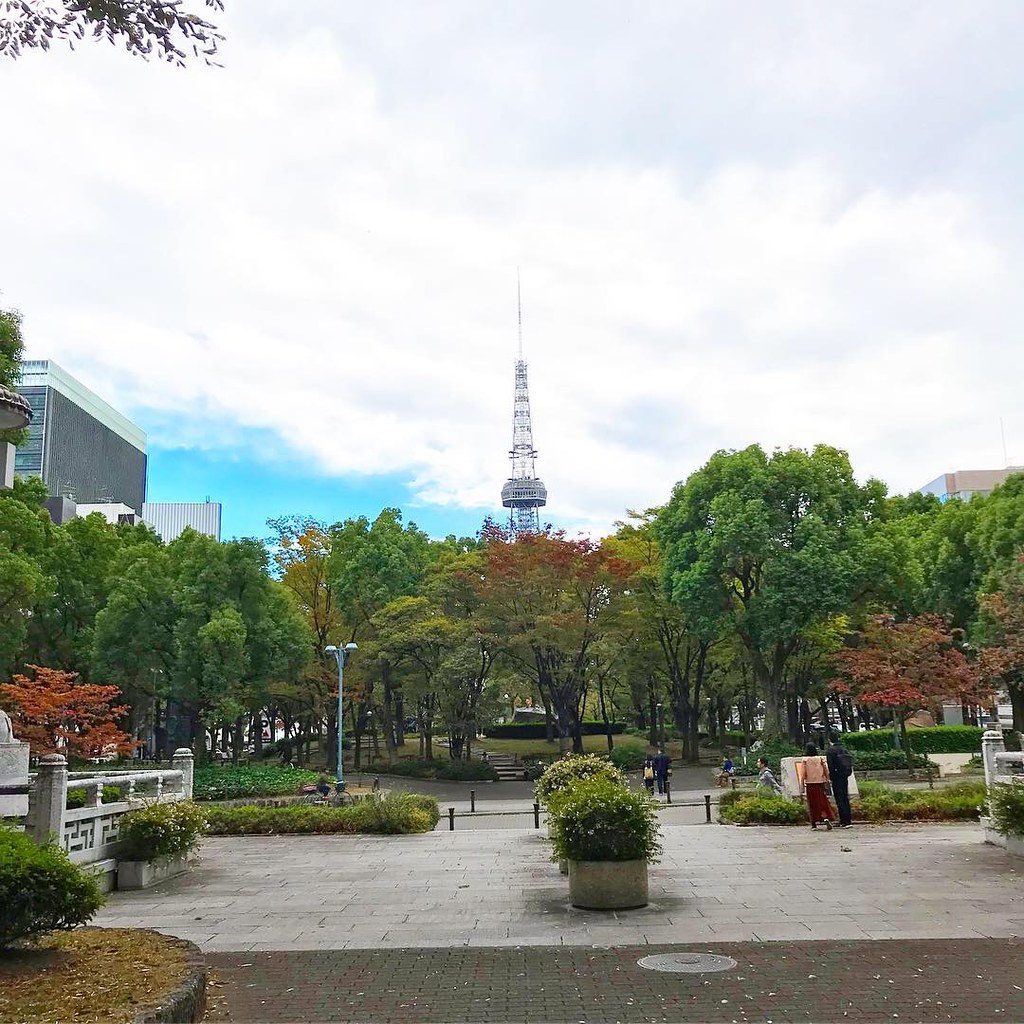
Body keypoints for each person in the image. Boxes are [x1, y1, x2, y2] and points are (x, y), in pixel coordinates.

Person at [797, 743, 834, 830]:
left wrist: (801, 784)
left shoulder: (805, 760)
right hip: (820, 783)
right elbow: (826, 770)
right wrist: (827, 779)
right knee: (823, 802)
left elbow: (803, 774)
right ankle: (825, 817)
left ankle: (814, 823)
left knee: (813, 803)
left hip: (810, 784)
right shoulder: (820, 759)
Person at [826, 732, 854, 828]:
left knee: (839, 798)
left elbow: (830, 766)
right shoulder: (843, 749)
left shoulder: (831, 751)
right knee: (845, 797)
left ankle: (843, 821)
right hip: (845, 775)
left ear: (830, 740)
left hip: (836, 777)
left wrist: (831, 777)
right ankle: (848, 820)